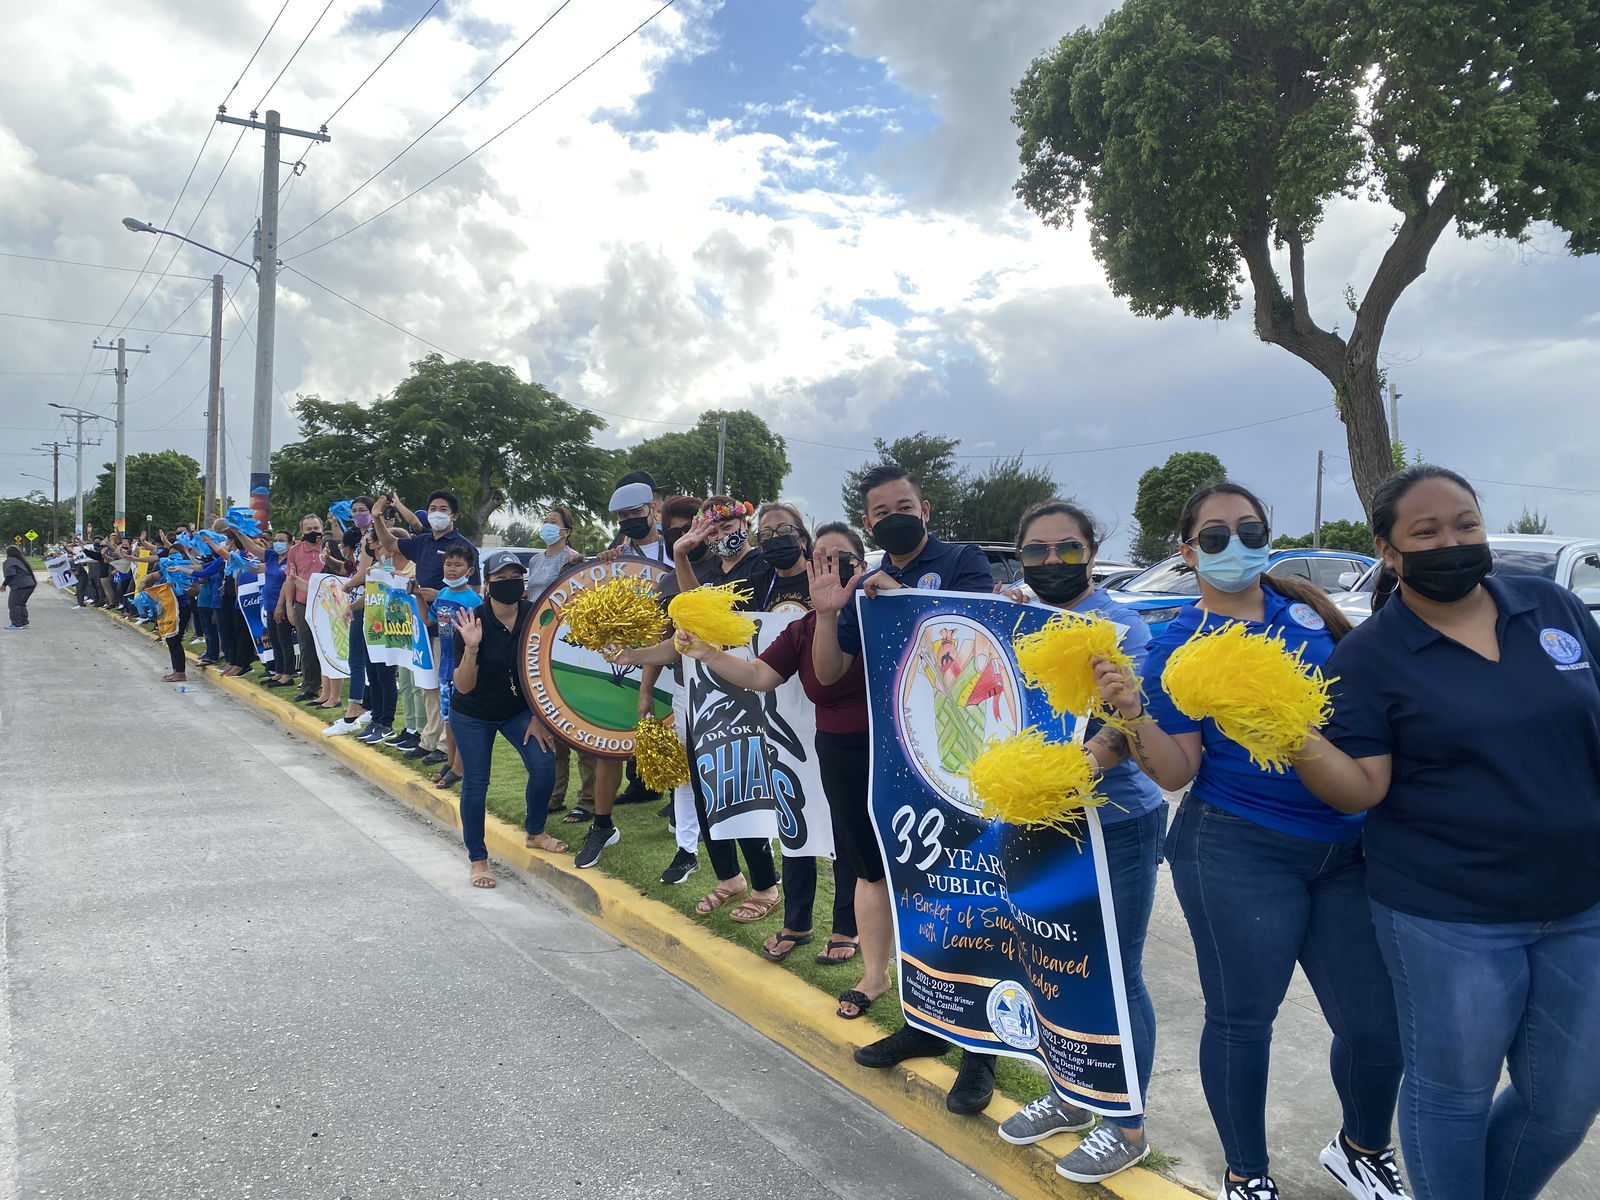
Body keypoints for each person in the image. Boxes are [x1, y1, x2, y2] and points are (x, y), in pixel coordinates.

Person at [1288, 465, 1600, 1200]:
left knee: (1564, 1102)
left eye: (1465, 524)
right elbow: (1363, 788)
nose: (1451, 541)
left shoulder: (1551, 605)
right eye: (1426, 531)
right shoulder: (1369, 656)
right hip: (1448, 915)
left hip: (1582, 903)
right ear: (1388, 551)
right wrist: (1291, 738)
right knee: (1453, 1094)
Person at [1093, 481, 1404, 1200]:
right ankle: (1247, 1173)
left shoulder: (1314, 617)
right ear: (1185, 550)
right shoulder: (1176, 643)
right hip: (1237, 848)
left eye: (1250, 530)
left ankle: (1360, 1148)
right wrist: (1132, 712)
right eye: (1214, 536)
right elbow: (1175, 772)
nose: (1235, 546)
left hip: (1348, 847)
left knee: (1375, 1025)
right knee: (1242, 1020)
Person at [807, 464, 1000, 1115]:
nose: (894, 515)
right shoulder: (860, 586)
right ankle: (926, 1024)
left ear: (925, 507)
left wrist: (904, 597)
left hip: (961, 760)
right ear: (867, 523)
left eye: (904, 504)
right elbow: (833, 672)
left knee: (968, 899)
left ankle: (981, 1057)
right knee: (915, 891)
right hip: (896, 761)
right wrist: (833, 614)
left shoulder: (964, 560)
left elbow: (982, 637)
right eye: (880, 509)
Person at [984, 501, 1164, 1183]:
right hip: (1037, 821)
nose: (1052, 562)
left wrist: (1077, 765)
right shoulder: (1016, 621)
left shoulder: (1121, 627)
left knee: (1118, 973)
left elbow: (1125, 727)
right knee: (1055, 967)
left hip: (1113, 822)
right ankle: (1071, 1097)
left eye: (1067, 548)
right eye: (1037, 552)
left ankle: (1127, 1123)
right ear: (1020, 556)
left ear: (1092, 550)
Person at [670, 520, 875, 965]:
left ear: (862, 566)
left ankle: (847, 928)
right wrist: (707, 653)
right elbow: (759, 675)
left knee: (847, 838)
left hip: (867, 750)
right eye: (823, 560)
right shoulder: (799, 628)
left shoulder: (883, 618)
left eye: (842, 561)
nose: (831, 569)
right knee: (795, 821)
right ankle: (797, 922)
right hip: (804, 741)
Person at [610, 495, 781, 922]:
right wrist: (636, 655)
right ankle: (728, 876)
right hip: (702, 696)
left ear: (748, 522)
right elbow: (692, 629)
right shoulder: (704, 571)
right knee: (706, 787)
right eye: (715, 530)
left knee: (745, 790)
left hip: (750, 695)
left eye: (730, 527)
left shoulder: (762, 568)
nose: (724, 537)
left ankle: (765, 885)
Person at [450, 550, 565, 888]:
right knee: (476, 782)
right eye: (502, 579)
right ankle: (478, 859)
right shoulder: (472, 619)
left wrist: (538, 715)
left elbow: (547, 669)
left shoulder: (536, 615)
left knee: (544, 765)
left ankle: (535, 831)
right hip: (473, 712)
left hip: (517, 710)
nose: (510, 584)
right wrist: (471, 648)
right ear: (488, 584)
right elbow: (463, 686)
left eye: (516, 578)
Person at [376, 490, 478, 768]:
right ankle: (429, 739)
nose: (436, 513)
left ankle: (447, 745)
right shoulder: (421, 542)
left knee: (446, 686)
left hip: (451, 632)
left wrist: (442, 595)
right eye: (432, 507)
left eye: (443, 509)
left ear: (454, 516)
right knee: (427, 686)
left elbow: (476, 593)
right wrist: (376, 518)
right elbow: (390, 543)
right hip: (424, 624)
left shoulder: (464, 547)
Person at [286, 513, 328, 702]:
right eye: (309, 529)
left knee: (327, 645)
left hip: (327, 605)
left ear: (322, 528)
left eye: (316, 528)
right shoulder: (295, 551)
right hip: (303, 604)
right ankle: (311, 686)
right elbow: (290, 580)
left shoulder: (329, 547)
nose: (313, 532)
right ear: (302, 531)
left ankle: (330, 687)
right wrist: (289, 605)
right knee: (307, 645)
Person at [262, 529, 298, 687]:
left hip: (282, 606)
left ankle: (288, 674)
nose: (277, 543)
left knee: (284, 640)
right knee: (274, 640)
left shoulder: (291, 560)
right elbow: (253, 549)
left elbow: (287, 584)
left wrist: (280, 606)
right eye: (276, 540)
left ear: (290, 543)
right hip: (269, 605)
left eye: (282, 540)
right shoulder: (272, 557)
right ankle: (279, 671)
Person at [523, 506, 582, 599]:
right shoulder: (535, 560)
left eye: (553, 522)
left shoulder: (572, 558)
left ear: (566, 532)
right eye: (545, 522)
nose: (547, 525)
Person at [3, 545, 36, 629]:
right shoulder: (21, 561)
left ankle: (17, 623)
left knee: (14, 604)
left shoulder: (9, 561)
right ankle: (24, 622)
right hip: (29, 584)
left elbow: (10, 574)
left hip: (20, 585)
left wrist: (4, 585)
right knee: (21, 604)